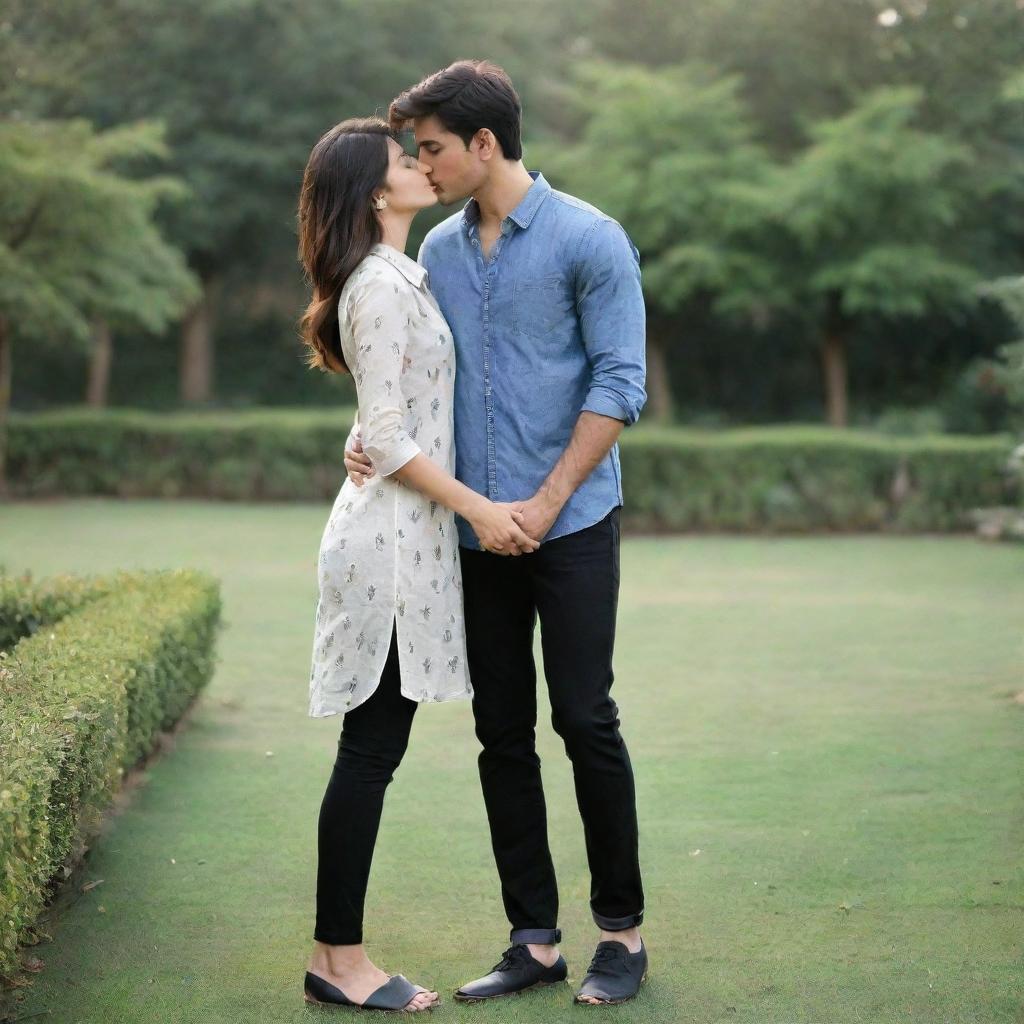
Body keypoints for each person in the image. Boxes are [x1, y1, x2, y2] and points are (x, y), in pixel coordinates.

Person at [343, 60, 649, 1006]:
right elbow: (411, 382)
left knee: (584, 718)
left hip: (572, 525)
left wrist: (546, 506)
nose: (420, 165)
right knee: (499, 731)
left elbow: (620, 385)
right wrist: (365, 442)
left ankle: (623, 937)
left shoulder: (589, 239)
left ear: (484, 144)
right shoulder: (432, 253)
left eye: (431, 148)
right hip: (472, 540)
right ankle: (535, 940)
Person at [298, 115, 538, 1014]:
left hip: (401, 537)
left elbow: (384, 416)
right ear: (375, 191)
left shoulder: (397, 277)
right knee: (369, 751)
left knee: (372, 750)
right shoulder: (382, 284)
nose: (422, 167)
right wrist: (480, 507)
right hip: (388, 550)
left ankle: (337, 952)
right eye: (408, 160)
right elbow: (393, 435)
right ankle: (338, 959)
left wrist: (365, 441)